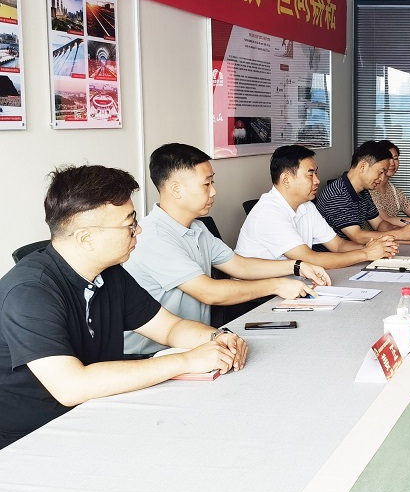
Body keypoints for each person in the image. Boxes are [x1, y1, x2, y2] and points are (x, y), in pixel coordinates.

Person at [0, 165, 248, 450]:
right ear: (85, 238)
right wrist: (186, 361)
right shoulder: (30, 291)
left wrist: (218, 339)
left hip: (98, 410)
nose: (138, 230)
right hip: (32, 438)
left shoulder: (110, 273)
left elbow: (170, 328)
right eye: (129, 224)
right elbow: (72, 386)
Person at [123, 143, 332, 355]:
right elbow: (210, 292)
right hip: (150, 354)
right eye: (206, 184)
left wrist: (297, 266)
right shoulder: (153, 237)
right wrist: (276, 285)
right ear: (176, 189)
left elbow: (240, 266)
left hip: (196, 343)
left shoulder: (197, 228)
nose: (214, 191)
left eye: (212, 182)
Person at [235, 145, 398, 265]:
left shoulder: (306, 206)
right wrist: (366, 254)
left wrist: (373, 247)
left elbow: (338, 245)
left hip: (292, 283)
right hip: (260, 296)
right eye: (310, 175)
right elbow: (309, 258)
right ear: (286, 179)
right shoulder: (269, 213)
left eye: (316, 173)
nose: (317, 180)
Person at [315, 141, 410, 243]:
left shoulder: (363, 191)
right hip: (336, 255)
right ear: (363, 166)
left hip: (356, 251)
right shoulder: (338, 194)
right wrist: (399, 234)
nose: (382, 178)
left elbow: (379, 224)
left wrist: (397, 229)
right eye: (380, 172)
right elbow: (357, 236)